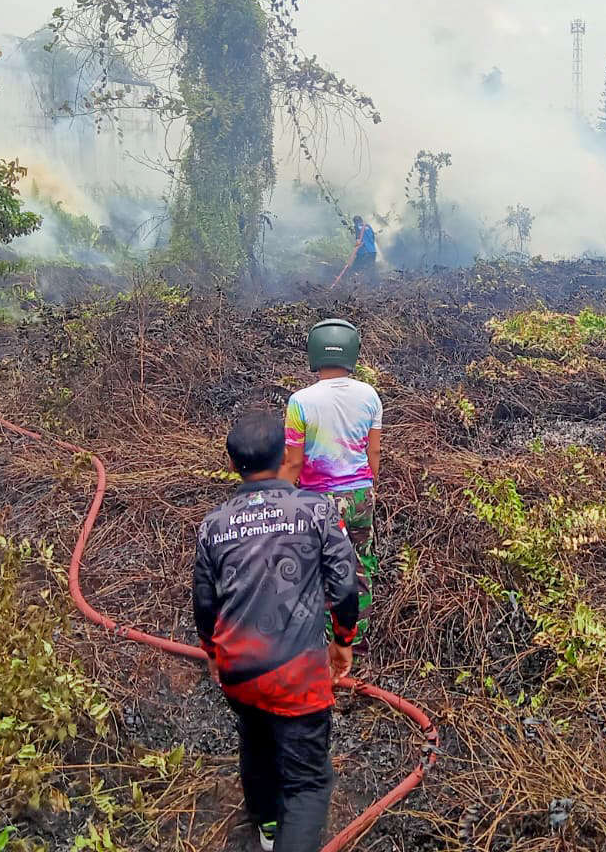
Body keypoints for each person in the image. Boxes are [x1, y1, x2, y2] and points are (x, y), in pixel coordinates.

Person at [193, 414, 360, 852]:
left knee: (256, 739)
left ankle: (267, 828)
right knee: (308, 785)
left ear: (232, 465)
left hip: (239, 671)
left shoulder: (214, 525)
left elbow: (204, 599)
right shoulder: (316, 509)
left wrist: (212, 651)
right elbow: (344, 583)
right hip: (296, 675)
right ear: (287, 455)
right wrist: (343, 641)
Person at [286, 318, 382, 634]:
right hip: (360, 495)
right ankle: (355, 641)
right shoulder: (370, 396)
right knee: (360, 565)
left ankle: (327, 641)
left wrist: (281, 499)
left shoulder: (300, 401)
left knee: (322, 569)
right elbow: (374, 453)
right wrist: (370, 489)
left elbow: (294, 463)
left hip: (320, 501)